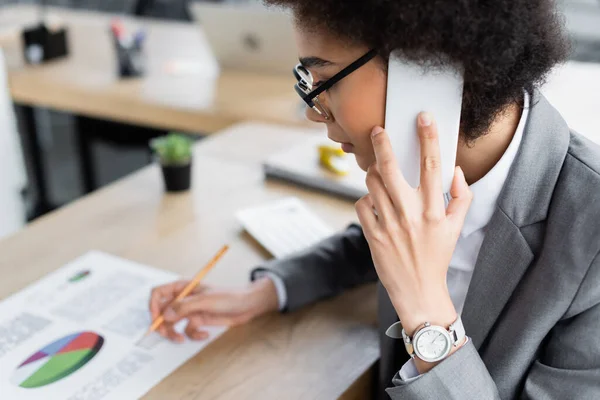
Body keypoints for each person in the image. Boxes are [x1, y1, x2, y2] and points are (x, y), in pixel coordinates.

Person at [149, 0, 600, 398]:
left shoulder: (591, 242)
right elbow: (371, 248)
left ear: (431, 65)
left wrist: (428, 318)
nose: (312, 109)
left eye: (323, 79)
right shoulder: (426, 172)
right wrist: (267, 291)